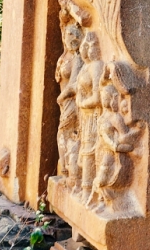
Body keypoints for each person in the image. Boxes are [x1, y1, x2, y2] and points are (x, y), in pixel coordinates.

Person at [87, 65, 144, 212]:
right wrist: (106, 73)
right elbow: (100, 86)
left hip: (111, 152)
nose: (104, 100)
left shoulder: (115, 118)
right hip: (101, 150)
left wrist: (136, 134)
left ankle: (104, 201)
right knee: (99, 177)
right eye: (103, 98)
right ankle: (101, 200)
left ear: (114, 99)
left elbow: (124, 135)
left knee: (102, 179)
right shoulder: (104, 115)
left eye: (107, 98)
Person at [75, 31, 105, 195]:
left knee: (90, 152)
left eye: (89, 45)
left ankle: (90, 191)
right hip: (84, 116)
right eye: (84, 45)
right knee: (84, 150)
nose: (85, 49)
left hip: (94, 115)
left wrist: (82, 102)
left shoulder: (96, 66)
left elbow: (98, 97)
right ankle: (84, 188)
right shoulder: (86, 66)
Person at [55, 20, 83, 184]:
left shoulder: (78, 58)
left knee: (64, 132)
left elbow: (74, 84)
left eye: (74, 34)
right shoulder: (67, 56)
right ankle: (66, 169)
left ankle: (68, 172)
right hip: (65, 102)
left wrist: (62, 97)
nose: (70, 38)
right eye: (68, 34)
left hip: (71, 101)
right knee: (64, 134)